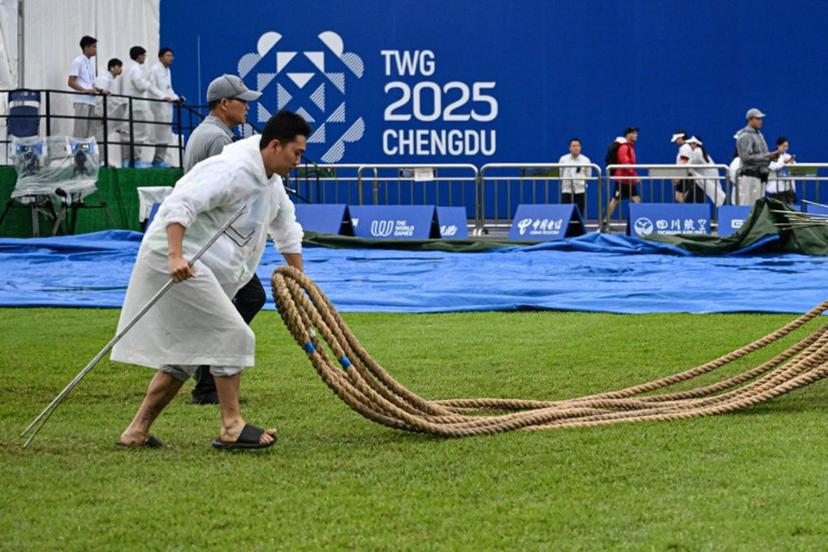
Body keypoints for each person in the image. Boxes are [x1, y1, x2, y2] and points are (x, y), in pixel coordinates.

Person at [112, 110, 311, 450]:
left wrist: (300, 283)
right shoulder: (231, 169)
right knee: (232, 333)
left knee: (186, 353)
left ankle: (136, 430)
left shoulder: (271, 184)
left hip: (204, 267)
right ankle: (231, 425)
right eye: (297, 153)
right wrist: (175, 255)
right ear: (276, 146)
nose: (299, 161)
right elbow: (180, 203)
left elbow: (287, 231)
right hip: (174, 258)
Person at [184, 74, 264, 405]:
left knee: (231, 304)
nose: (247, 106)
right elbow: (227, 193)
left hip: (207, 239)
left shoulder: (207, 134)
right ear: (224, 104)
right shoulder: (219, 141)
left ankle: (205, 379)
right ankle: (206, 382)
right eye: (242, 100)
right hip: (215, 242)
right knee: (249, 298)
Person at [735, 108, 782, 205]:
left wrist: (773, 156)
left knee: (758, 207)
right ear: (750, 119)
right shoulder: (745, 136)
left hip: (760, 176)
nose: (761, 121)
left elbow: (764, 154)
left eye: (761, 119)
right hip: (750, 176)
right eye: (758, 118)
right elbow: (746, 158)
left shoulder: (759, 135)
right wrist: (768, 156)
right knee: (748, 206)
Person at [147, 48, 181, 168]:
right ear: (161, 57)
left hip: (167, 106)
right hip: (158, 106)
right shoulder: (154, 70)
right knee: (158, 134)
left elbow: (168, 87)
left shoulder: (168, 71)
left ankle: (159, 160)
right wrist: (163, 96)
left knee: (165, 134)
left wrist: (176, 97)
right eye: (168, 55)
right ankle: (155, 160)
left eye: (172, 55)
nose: (171, 58)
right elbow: (151, 87)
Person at [120, 46, 153, 168]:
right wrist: (149, 83)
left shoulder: (128, 68)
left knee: (128, 134)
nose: (144, 58)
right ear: (139, 56)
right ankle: (136, 160)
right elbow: (140, 85)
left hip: (130, 105)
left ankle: (126, 161)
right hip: (137, 106)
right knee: (139, 134)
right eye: (144, 55)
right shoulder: (136, 69)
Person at [67, 35, 105, 139]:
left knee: (89, 133)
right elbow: (70, 82)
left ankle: (84, 154)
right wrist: (85, 91)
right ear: (86, 47)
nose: (95, 49)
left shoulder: (88, 63)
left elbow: (90, 83)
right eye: (93, 46)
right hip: (82, 101)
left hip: (91, 101)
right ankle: (77, 154)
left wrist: (101, 90)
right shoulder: (78, 61)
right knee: (80, 131)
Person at [93, 58, 126, 162]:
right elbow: (99, 98)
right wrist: (101, 114)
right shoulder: (104, 79)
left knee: (102, 137)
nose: (121, 69)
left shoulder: (111, 80)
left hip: (104, 113)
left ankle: (102, 160)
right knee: (99, 137)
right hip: (99, 114)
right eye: (119, 67)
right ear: (112, 68)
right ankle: (99, 161)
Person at [606, 127, 640, 223]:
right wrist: (634, 175)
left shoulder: (630, 146)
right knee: (615, 200)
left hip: (628, 179)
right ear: (628, 134)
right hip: (622, 179)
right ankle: (605, 221)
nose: (636, 135)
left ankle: (638, 220)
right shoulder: (624, 147)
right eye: (634, 133)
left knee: (636, 199)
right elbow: (625, 163)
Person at [686, 136, 725, 206]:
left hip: (705, 178)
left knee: (716, 194)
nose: (690, 145)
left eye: (691, 143)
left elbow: (689, 165)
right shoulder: (700, 151)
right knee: (715, 194)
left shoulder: (697, 151)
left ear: (695, 144)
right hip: (703, 178)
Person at [558, 138, 592, 215]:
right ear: (569, 148)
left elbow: (588, 175)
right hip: (567, 190)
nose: (576, 148)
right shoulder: (563, 159)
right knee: (565, 213)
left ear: (580, 147)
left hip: (580, 190)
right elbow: (560, 173)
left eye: (578, 146)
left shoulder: (586, 160)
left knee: (579, 213)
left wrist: (582, 184)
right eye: (573, 146)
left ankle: (577, 227)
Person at [670, 130, 701, 203]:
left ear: (681, 138)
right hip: (684, 175)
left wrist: (678, 177)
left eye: (677, 139)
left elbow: (683, 163)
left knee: (680, 197)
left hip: (685, 176)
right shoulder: (684, 148)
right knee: (680, 197)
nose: (676, 142)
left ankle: (684, 213)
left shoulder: (685, 148)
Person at [766, 136, 797, 204]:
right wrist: (784, 163)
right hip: (775, 190)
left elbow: (795, 169)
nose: (786, 148)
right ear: (778, 146)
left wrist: (791, 163)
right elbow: (773, 167)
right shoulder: (772, 156)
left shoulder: (788, 156)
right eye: (784, 146)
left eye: (787, 146)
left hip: (788, 190)